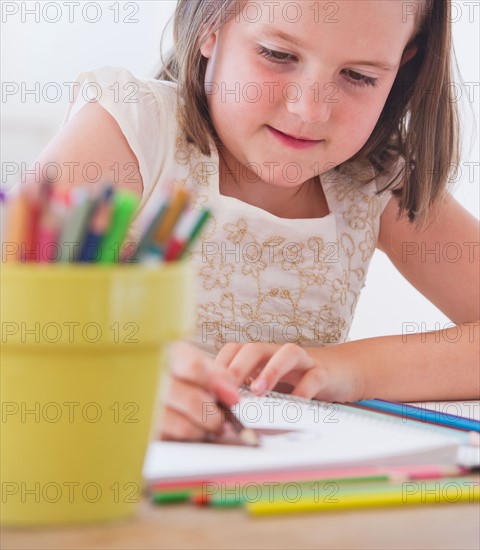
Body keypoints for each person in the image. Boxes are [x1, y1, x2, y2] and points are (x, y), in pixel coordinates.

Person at [19, 0, 479, 442]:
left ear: (403, 66)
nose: (309, 108)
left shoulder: (375, 184)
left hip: (269, 494)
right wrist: (115, 381)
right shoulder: (131, 131)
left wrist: (350, 368)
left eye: (359, 76)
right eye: (278, 55)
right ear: (210, 25)